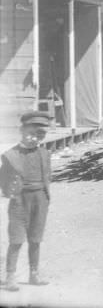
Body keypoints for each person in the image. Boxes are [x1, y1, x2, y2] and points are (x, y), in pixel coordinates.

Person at [0, 111, 52, 292]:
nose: (34, 139)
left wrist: (43, 197)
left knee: (36, 238)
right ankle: (10, 276)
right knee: (16, 239)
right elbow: (3, 179)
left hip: (40, 200)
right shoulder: (10, 156)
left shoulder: (45, 154)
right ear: (22, 132)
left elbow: (47, 176)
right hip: (20, 201)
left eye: (39, 135)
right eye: (30, 133)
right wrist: (9, 193)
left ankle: (34, 274)